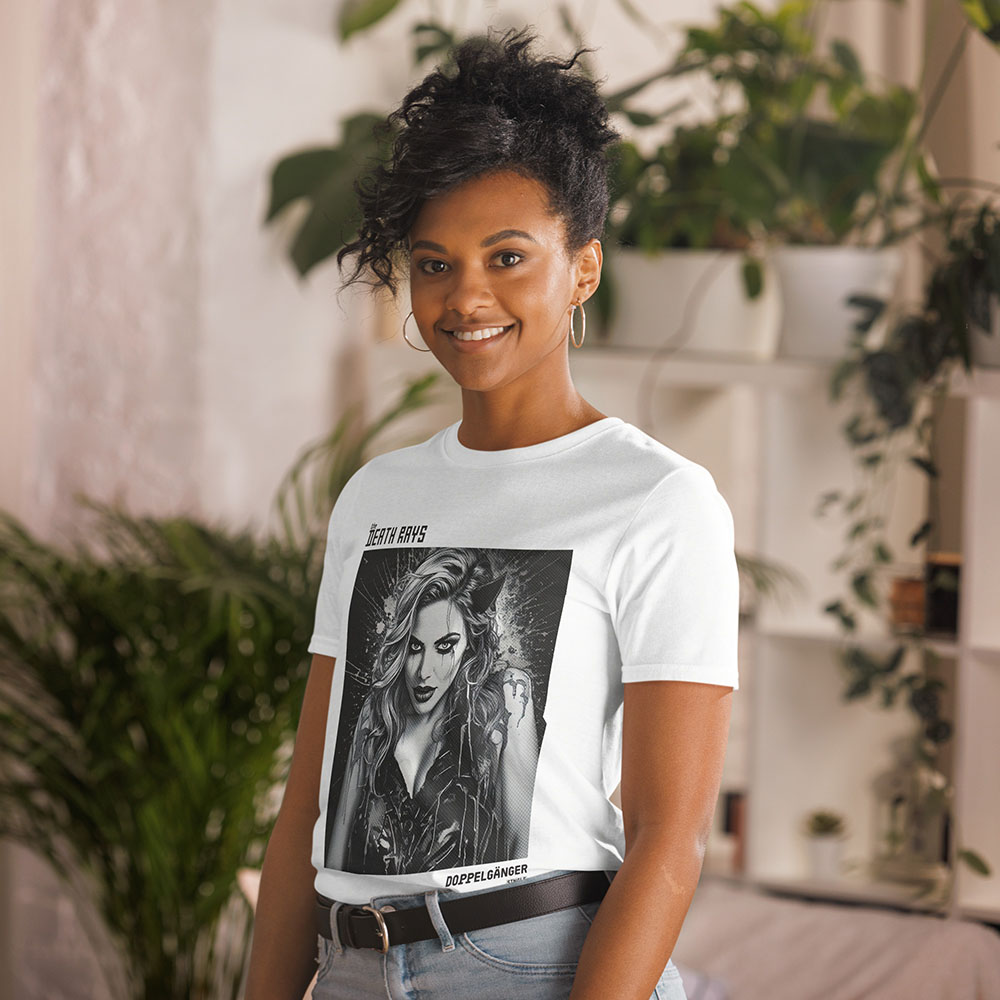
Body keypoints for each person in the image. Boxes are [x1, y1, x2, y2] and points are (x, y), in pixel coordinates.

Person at [244, 25, 738, 1000]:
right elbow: (306, 805)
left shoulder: (656, 498)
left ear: (583, 268)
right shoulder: (377, 496)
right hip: (351, 965)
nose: (465, 296)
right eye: (434, 264)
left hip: (531, 964)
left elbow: (668, 838)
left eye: (507, 257)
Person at [327, 547, 539, 873]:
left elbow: (521, 842)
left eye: (445, 646)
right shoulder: (378, 711)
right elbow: (336, 855)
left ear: (471, 641)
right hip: (372, 904)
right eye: (415, 647)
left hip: (480, 906)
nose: (424, 671)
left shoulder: (507, 698)